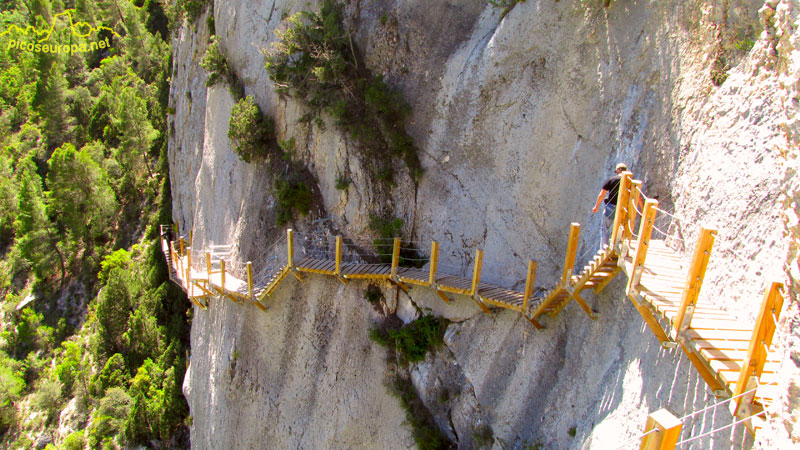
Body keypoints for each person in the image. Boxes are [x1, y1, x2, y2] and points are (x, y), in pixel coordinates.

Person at [592, 163, 628, 248]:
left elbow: (602, 194)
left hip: (611, 206)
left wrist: (596, 206)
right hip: (623, 208)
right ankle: (620, 246)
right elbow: (636, 197)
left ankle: (604, 248)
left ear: (618, 170)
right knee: (622, 228)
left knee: (605, 228)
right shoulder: (629, 181)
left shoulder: (612, 179)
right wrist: (641, 208)